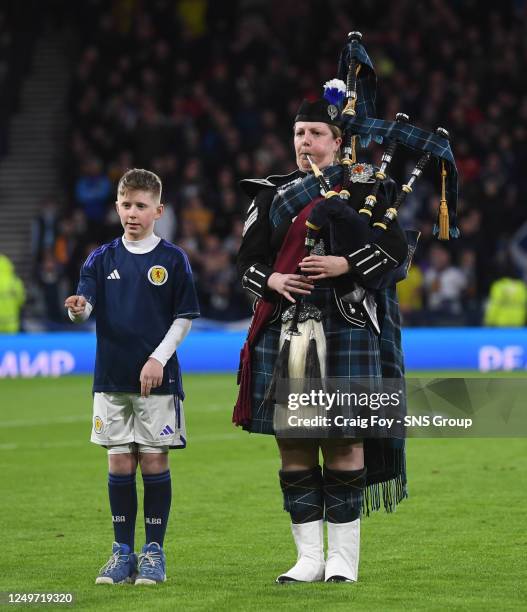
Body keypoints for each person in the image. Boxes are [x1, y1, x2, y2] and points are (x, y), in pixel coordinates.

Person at [234, 90, 410, 584]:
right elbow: (244, 263)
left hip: (346, 326)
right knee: (294, 444)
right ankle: (309, 558)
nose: (304, 142)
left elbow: (398, 259)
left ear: (338, 141)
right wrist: (272, 280)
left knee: (343, 442)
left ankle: (343, 561)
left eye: (314, 134)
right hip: (289, 328)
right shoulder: (271, 194)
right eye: (298, 133)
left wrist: (346, 263)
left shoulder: (367, 188)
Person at [65, 168, 199, 585]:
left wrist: (158, 359)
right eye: (126, 205)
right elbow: (86, 305)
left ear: (158, 210)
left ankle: (154, 552)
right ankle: (122, 552)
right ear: (116, 207)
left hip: (158, 382)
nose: (132, 213)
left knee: (154, 459)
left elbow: (184, 318)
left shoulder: (173, 259)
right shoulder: (100, 257)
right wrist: (76, 309)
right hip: (111, 378)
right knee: (120, 461)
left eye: (141, 206)